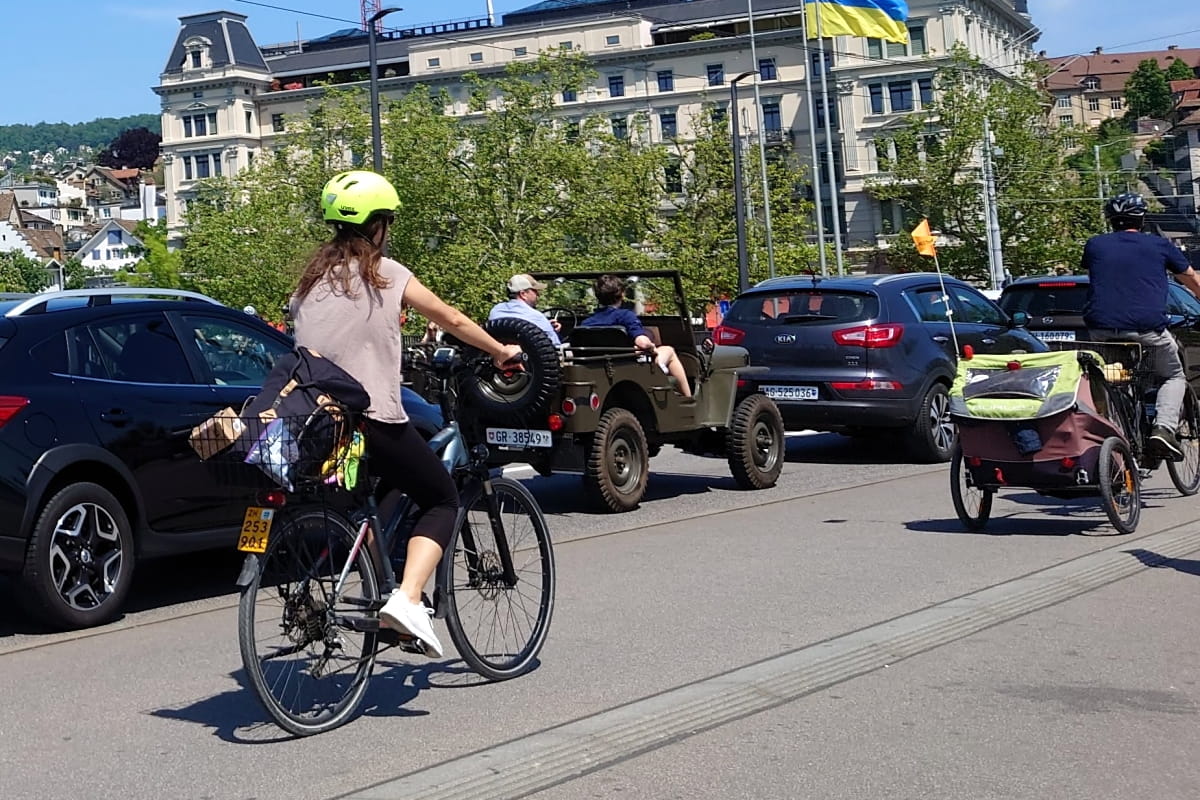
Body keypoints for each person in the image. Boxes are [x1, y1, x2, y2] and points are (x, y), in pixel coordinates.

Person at [291, 170, 522, 658]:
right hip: (370, 415)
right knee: (440, 498)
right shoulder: (387, 274)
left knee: (384, 500)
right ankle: (410, 598)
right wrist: (501, 350)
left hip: (317, 420)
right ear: (377, 225)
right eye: (387, 222)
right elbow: (451, 319)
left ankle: (382, 590)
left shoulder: (310, 282)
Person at [1083, 192, 1200, 460]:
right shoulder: (1158, 245)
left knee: (1115, 379)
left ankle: (1119, 430)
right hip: (1147, 328)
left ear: (1111, 221)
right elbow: (1191, 279)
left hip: (1101, 330)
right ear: (1142, 218)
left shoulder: (1095, 245)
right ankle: (1163, 429)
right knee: (1173, 376)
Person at [578, 274, 692, 398]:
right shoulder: (625, 316)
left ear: (597, 296)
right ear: (622, 294)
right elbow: (642, 342)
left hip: (597, 368)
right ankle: (688, 399)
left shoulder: (586, 323)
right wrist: (652, 346)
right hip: (629, 366)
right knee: (668, 350)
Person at [487, 274, 561, 345]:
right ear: (523, 294)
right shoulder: (537, 317)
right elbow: (555, 345)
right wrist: (550, 329)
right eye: (535, 291)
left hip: (499, 355)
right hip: (533, 357)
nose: (538, 294)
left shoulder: (496, 310)